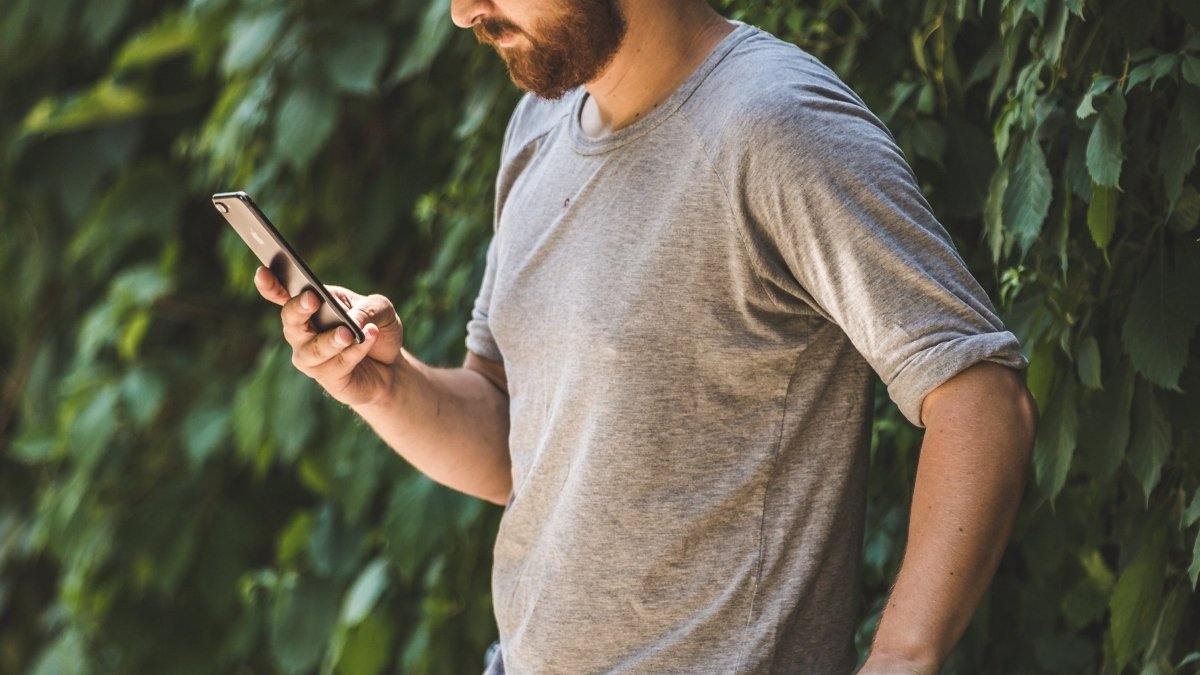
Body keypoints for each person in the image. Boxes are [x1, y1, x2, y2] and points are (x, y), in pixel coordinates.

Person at [254, 0, 1038, 672]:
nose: (464, 12)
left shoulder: (775, 124)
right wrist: (385, 385)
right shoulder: (539, 126)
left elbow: (978, 393)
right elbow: (512, 441)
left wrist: (901, 656)